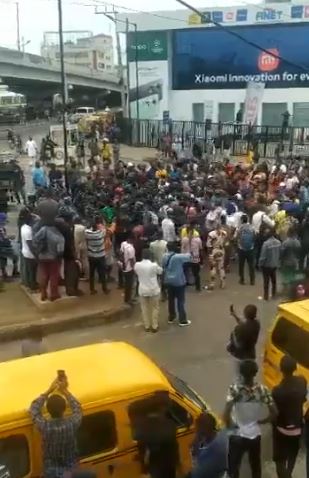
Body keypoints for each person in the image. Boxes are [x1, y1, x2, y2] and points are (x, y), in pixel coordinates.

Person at [223, 360, 277, 478]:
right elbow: (274, 413)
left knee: (233, 468)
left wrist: (230, 426)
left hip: (237, 434)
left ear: (241, 374)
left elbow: (226, 413)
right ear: (255, 373)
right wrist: (262, 421)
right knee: (255, 466)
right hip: (254, 434)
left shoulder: (235, 389)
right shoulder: (262, 390)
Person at [30, 375, 82, 478]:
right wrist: (64, 390)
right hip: (70, 472)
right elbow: (77, 408)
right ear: (64, 409)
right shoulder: (72, 424)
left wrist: (49, 390)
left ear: (48, 410)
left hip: (51, 473)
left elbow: (34, 409)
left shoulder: (45, 427)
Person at [272, 355, 307, 478]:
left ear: (281, 369)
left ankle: (284, 476)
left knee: (279, 458)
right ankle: (289, 473)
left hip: (282, 429)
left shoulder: (277, 390)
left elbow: (275, 413)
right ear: (295, 368)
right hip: (297, 428)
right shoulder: (302, 381)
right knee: (292, 454)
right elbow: (303, 399)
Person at [134, 391, 179, 478]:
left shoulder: (144, 425)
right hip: (166, 464)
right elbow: (174, 446)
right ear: (162, 407)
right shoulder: (169, 425)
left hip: (155, 463)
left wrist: (143, 467)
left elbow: (141, 446)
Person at [33, 222, 65, 301]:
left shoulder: (44, 228)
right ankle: (53, 294)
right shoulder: (59, 236)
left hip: (42, 256)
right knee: (54, 276)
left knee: (44, 275)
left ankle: (43, 293)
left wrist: (38, 249)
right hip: (53, 258)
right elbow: (60, 250)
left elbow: (35, 239)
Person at [162, 242, 191, 326]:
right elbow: (189, 257)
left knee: (170, 300)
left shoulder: (164, 256)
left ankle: (171, 317)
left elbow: (163, 266)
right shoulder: (178, 257)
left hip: (168, 281)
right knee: (180, 301)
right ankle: (182, 320)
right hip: (179, 281)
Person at [191, 412, 227, 478]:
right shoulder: (204, 439)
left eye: (197, 426)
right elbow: (195, 453)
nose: (195, 429)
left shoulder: (218, 444)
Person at [134, 248, 162, 332]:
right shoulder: (154, 265)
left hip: (142, 289)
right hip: (153, 289)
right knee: (155, 308)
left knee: (144, 308)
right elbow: (160, 271)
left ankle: (146, 326)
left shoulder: (137, 265)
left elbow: (136, 272)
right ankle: (154, 326)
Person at [85, 217, 109, 295]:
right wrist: (101, 225)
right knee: (102, 273)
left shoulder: (87, 233)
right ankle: (104, 289)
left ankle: (92, 289)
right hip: (100, 256)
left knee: (92, 273)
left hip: (91, 256)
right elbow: (104, 228)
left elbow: (86, 230)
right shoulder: (101, 233)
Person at [259, 228, 281, 300]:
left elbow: (263, 256)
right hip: (274, 264)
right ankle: (274, 294)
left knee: (266, 282)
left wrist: (260, 264)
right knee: (274, 280)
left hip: (266, 265)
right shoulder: (278, 242)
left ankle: (266, 296)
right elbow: (280, 254)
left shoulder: (266, 244)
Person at [181, 222, 202, 291]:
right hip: (195, 258)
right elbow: (200, 249)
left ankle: (184, 284)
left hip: (186, 258)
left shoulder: (184, 239)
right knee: (196, 274)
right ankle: (198, 287)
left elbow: (182, 249)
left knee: (184, 272)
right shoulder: (198, 240)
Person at [20, 211, 38, 291]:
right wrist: (36, 255)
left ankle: (29, 283)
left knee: (29, 270)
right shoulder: (28, 231)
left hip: (25, 251)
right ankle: (32, 286)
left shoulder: (23, 227)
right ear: (30, 221)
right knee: (32, 271)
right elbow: (30, 245)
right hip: (30, 253)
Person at [280, 228, 301, 295]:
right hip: (294, 262)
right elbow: (299, 252)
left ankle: (285, 291)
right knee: (293, 275)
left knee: (285, 276)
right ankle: (292, 290)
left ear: (288, 233)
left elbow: (282, 253)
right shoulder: (297, 242)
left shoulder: (285, 242)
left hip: (286, 262)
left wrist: (281, 260)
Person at [207, 222, 227, 290]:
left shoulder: (211, 234)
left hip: (214, 251)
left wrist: (209, 254)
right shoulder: (224, 233)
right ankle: (223, 283)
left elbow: (209, 245)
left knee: (213, 268)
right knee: (221, 268)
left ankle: (212, 284)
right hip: (221, 251)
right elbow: (226, 243)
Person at [236, 214, 255, 286]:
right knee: (251, 265)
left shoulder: (239, 228)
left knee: (241, 265)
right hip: (250, 248)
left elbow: (236, 237)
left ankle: (242, 279)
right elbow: (254, 236)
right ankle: (252, 280)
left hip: (241, 249)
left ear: (241, 220)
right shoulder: (252, 227)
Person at [119, 234, 136, 304]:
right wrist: (134, 268)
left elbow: (120, 252)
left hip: (123, 266)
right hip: (129, 268)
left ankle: (127, 298)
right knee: (129, 285)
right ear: (131, 240)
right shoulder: (131, 248)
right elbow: (132, 260)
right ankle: (128, 299)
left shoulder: (123, 244)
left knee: (126, 284)